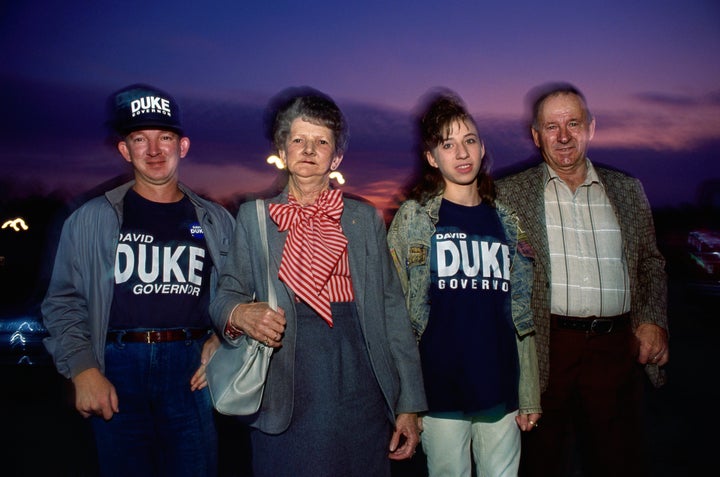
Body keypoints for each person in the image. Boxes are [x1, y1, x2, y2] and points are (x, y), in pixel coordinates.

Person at [209, 87, 427, 477]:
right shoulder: (254, 218)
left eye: (321, 141)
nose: (309, 150)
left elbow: (393, 312)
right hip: (283, 382)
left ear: (336, 156)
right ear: (283, 148)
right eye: (298, 140)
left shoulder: (363, 220)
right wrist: (242, 313)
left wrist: (409, 403)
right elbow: (225, 295)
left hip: (359, 381)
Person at [42, 84, 235, 477]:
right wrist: (83, 370)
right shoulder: (91, 218)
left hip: (190, 370)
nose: (153, 150)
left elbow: (240, 289)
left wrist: (223, 338)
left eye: (165, 138)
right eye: (139, 139)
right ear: (124, 150)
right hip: (115, 367)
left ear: (183, 146)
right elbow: (63, 302)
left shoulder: (215, 221)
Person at [495, 83, 669, 477]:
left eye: (573, 123)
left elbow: (650, 263)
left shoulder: (626, 189)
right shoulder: (509, 193)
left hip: (614, 348)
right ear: (536, 136)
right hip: (545, 347)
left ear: (591, 128)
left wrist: (652, 319)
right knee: (540, 459)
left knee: (617, 458)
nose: (564, 136)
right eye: (552, 126)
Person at [386, 90, 542, 477]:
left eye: (469, 140)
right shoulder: (414, 219)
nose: (461, 153)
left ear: (482, 148)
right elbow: (394, 313)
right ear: (431, 157)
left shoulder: (505, 220)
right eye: (448, 144)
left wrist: (529, 394)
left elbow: (521, 314)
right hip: (439, 392)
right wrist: (407, 399)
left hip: (500, 388)